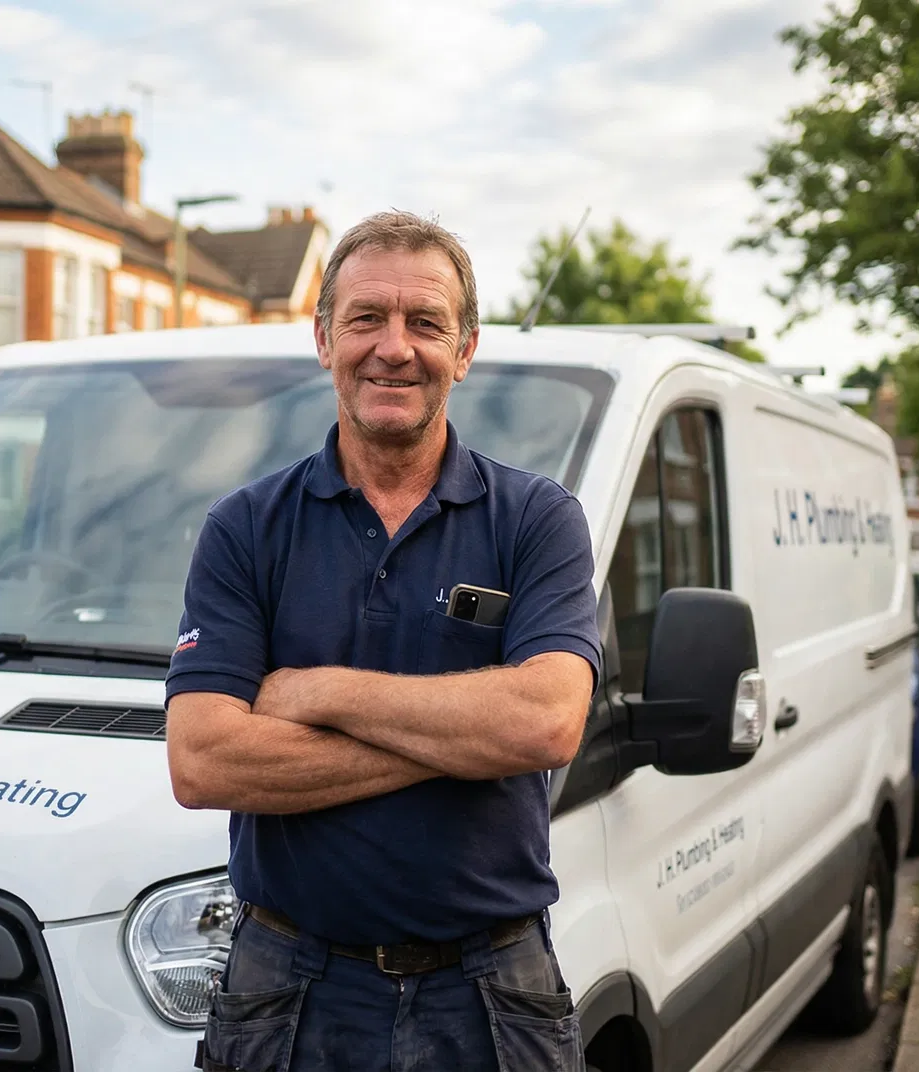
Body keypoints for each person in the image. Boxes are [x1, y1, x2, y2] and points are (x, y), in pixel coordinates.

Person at [165, 210, 602, 1071]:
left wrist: (318, 694)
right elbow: (204, 762)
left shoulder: (537, 519)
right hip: (286, 985)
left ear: (465, 348)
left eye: (425, 322)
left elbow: (545, 725)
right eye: (367, 318)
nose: (394, 347)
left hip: (491, 988)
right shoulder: (246, 528)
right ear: (323, 338)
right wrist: (469, 738)